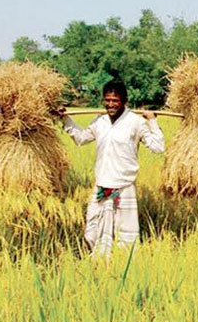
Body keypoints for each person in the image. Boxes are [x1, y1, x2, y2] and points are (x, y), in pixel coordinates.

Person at [58, 80, 165, 257]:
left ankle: (122, 266)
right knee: (93, 228)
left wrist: (152, 121)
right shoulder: (100, 122)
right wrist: (65, 119)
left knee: (124, 234)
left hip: (124, 186)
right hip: (102, 185)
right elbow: (81, 138)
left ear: (124, 100)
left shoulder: (136, 123)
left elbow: (158, 147)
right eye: (107, 100)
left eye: (115, 100)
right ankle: (97, 263)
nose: (110, 104)